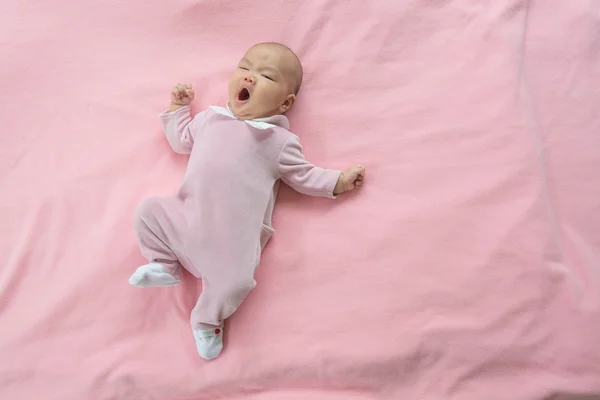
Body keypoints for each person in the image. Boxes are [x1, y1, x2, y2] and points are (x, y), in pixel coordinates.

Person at [129, 42, 366, 360]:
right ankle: (165, 264)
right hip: (186, 217)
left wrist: (338, 181)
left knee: (237, 282)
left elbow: (304, 176)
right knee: (148, 211)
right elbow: (180, 140)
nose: (250, 77)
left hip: (232, 241)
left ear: (285, 103)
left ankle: (207, 319)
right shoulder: (210, 119)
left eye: (265, 75)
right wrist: (177, 108)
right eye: (245, 68)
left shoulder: (278, 141)